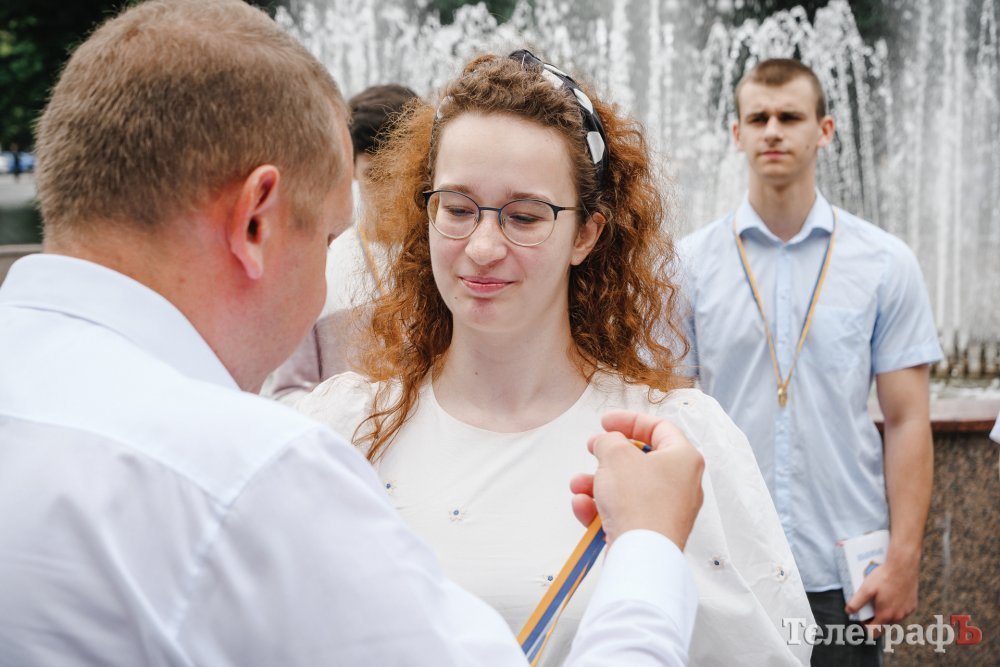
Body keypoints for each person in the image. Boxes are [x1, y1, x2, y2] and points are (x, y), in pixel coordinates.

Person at [0, 2, 708, 665]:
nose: (483, 246)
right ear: (256, 221)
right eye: (329, 237)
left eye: (524, 216)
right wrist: (648, 546)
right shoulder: (249, 477)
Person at [298, 50, 813, 666]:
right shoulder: (344, 429)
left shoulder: (671, 443)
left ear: (587, 234)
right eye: (457, 209)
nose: (483, 247)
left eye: (524, 217)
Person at [678, 58, 943, 666]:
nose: (773, 131)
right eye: (758, 118)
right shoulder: (687, 265)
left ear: (824, 130)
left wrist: (905, 558)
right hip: (730, 563)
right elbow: (672, 420)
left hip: (844, 568)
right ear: (736, 134)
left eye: (789, 117)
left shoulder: (885, 262)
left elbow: (908, 420)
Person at [265, 84, 419, 404]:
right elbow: (289, 393)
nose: (391, 190)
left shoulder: (449, 260)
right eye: (376, 175)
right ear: (351, 168)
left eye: (401, 174)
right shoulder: (318, 264)